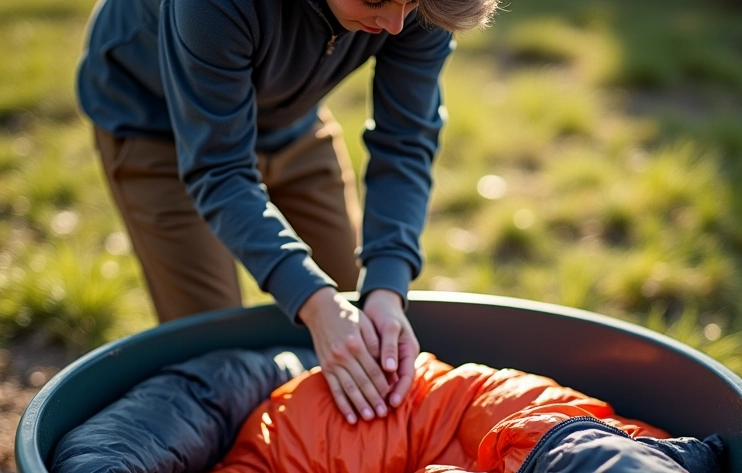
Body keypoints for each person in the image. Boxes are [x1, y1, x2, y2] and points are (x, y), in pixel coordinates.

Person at [76, 0, 498, 424]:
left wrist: (388, 285)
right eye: (375, 0)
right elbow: (219, 169)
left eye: (411, 3)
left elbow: (405, 141)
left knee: (360, 320)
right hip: (158, 126)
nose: (394, 24)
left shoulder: (417, 6)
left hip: (290, 120)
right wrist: (313, 304)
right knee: (209, 356)